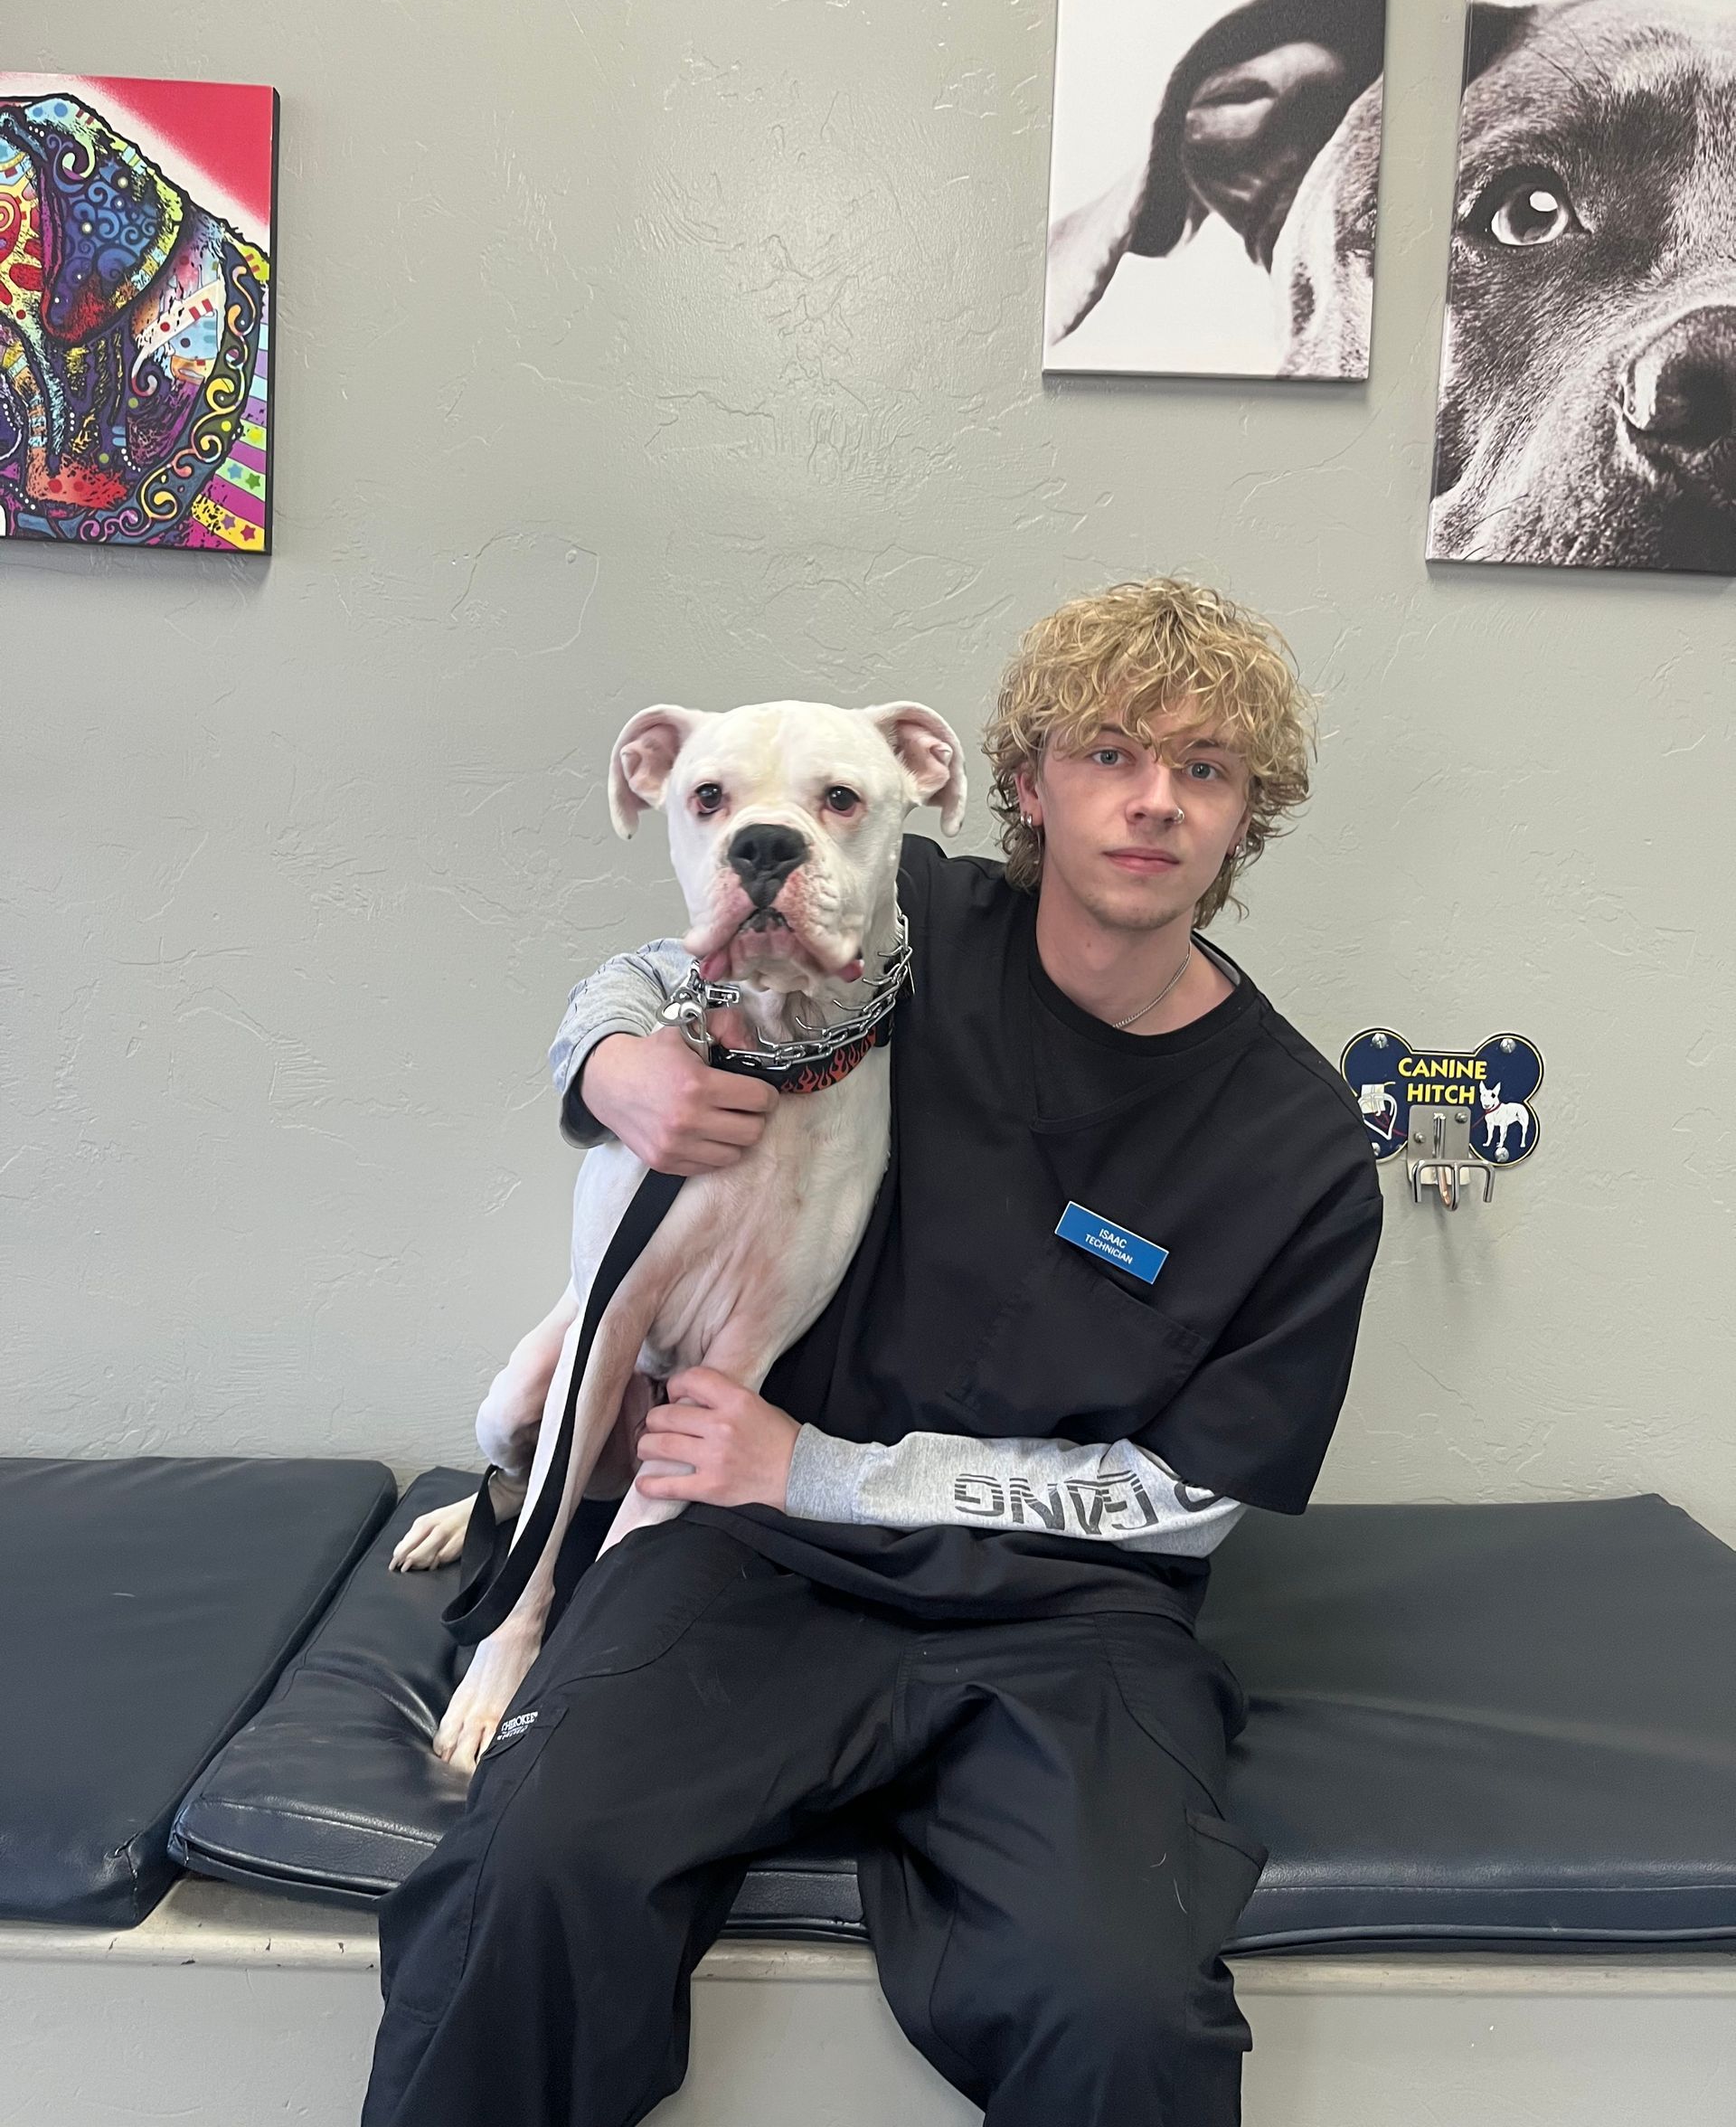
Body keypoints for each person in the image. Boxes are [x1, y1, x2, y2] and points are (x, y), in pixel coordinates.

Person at [363, 578, 1383, 2127]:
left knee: (1122, 2018)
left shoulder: (1299, 1146)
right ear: (1024, 786)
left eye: (1209, 768)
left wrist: (828, 1468)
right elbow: (667, 957)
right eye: (1109, 751)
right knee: (522, 1876)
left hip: (1070, 1629)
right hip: (748, 1565)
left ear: (1253, 816)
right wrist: (612, 1063)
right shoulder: (908, 926)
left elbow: (1188, 1502)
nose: (1155, 800)